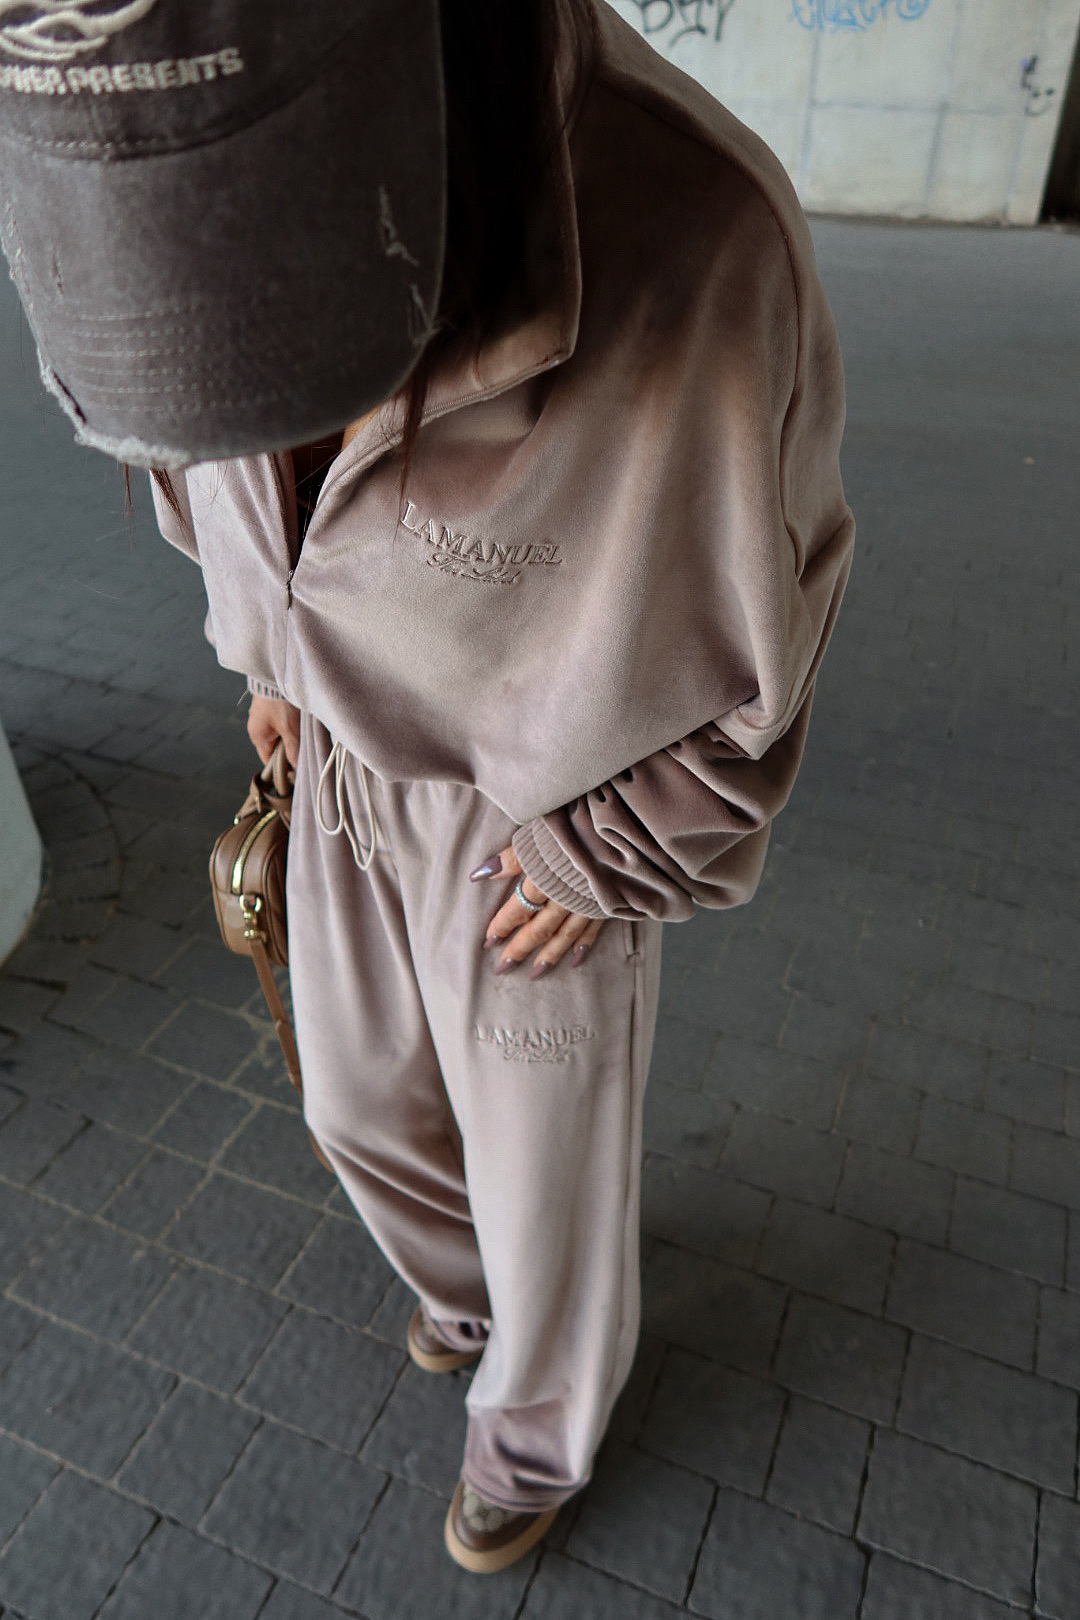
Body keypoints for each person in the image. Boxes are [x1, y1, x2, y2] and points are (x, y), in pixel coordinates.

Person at [0, 0, 853, 1575]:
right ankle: (465, 1296)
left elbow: (768, 618)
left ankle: (537, 1431)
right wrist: (266, 656)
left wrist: (618, 849)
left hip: (545, 813)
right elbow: (211, 470)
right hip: (334, 753)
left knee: (546, 1177)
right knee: (356, 1104)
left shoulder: (697, 229)